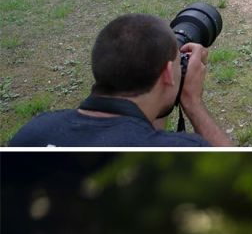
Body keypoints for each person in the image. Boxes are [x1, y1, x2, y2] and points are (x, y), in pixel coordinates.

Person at [9, 13, 233, 147]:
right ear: (167, 74)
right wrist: (193, 102)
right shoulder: (180, 150)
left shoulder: (33, 132)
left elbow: (137, 127)